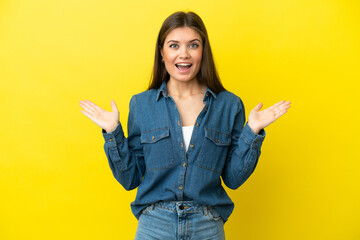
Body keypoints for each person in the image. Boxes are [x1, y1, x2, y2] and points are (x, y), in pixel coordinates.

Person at [79, 11, 291, 240]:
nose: (184, 54)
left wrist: (252, 132)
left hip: (207, 227)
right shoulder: (142, 104)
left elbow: (233, 179)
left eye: (193, 45)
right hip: (154, 226)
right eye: (173, 46)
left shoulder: (229, 105)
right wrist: (113, 134)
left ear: (203, 51)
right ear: (162, 52)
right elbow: (130, 179)